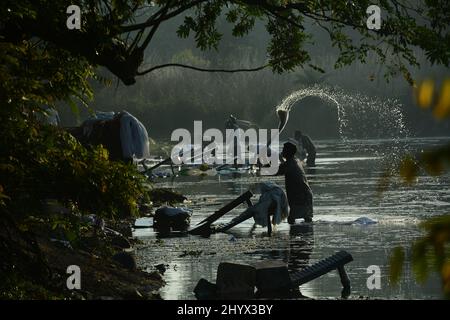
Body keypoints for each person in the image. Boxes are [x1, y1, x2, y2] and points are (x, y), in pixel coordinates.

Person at [277, 142, 313, 223]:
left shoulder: (289, 164)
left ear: (288, 152)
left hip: (300, 197)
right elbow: (284, 167)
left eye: (284, 150)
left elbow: (275, 171)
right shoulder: (295, 161)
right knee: (307, 220)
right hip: (305, 195)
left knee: (291, 220)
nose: (282, 151)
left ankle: (295, 235)